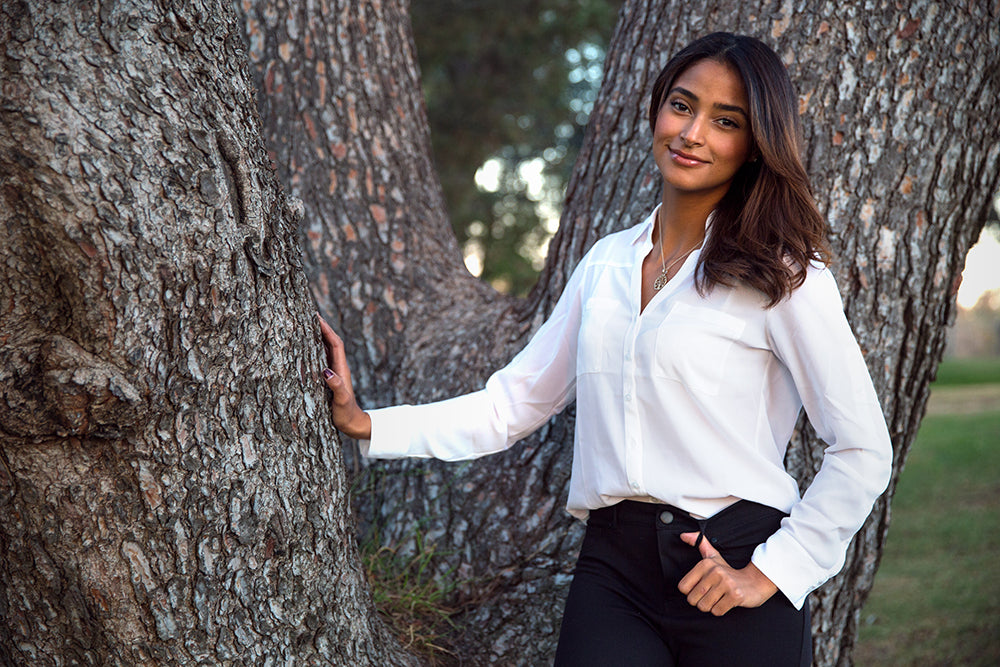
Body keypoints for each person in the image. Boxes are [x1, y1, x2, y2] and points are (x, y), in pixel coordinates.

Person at [317, 32, 892, 667]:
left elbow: (863, 449)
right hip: (613, 572)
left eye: (725, 122)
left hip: (733, 560)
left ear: (755, 148)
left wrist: (773, 571)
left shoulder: (784, 277)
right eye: (682, 105)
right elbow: (510, 405)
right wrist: (367, 422)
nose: (692, 133)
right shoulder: (606, 266)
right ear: (656, 112)